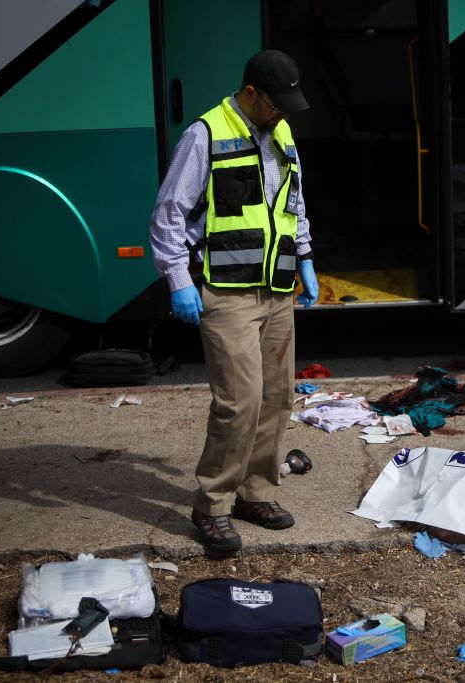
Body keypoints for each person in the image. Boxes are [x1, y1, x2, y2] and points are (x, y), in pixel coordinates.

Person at [149, 50, 319, 554]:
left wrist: (305, 257)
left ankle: (256, 493)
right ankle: (213, 505)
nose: (285, 112)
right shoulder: (204, 135)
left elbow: (294, 203)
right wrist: (178, 279)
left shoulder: (282, 134)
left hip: (278, 288)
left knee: (277, 398)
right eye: (277, 103)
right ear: (251, 95)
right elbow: (168, 214)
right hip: (227, 292)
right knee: (238, 402)